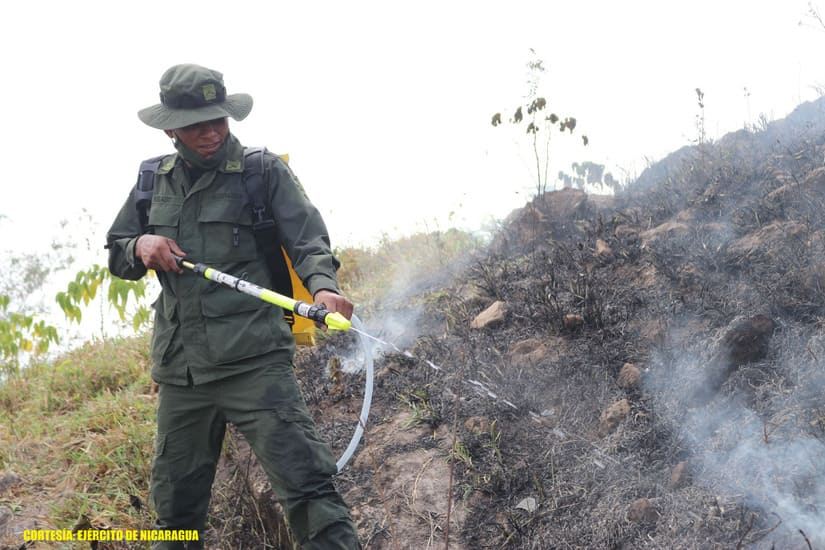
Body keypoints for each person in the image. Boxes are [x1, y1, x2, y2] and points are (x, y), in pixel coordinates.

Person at [106, 63, 361, 549]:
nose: (212, 133)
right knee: (175, 515)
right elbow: (118, 250)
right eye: (198, 124)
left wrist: (324, 288)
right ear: (170, 128)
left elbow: (308, 241)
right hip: (183, 375)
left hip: (255, 364)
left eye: (219, 121)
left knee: (309, 489)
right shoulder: (150, 182)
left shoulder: (261, 173)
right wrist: (141, 245)